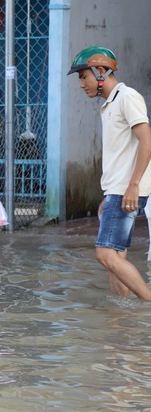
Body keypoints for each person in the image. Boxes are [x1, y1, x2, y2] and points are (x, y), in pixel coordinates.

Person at [67, 46, 151, 299]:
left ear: (101, 71)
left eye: (84, 77)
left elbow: (147, 140)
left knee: (104, 255)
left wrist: (133, 185)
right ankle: (120, 317)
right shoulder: (110, 104)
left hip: (128, 190)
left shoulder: (126, 97)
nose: (82, 84)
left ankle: (148, 302)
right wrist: (110, 193)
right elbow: (123, 153)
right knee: (116, 258)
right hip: (118, 190)